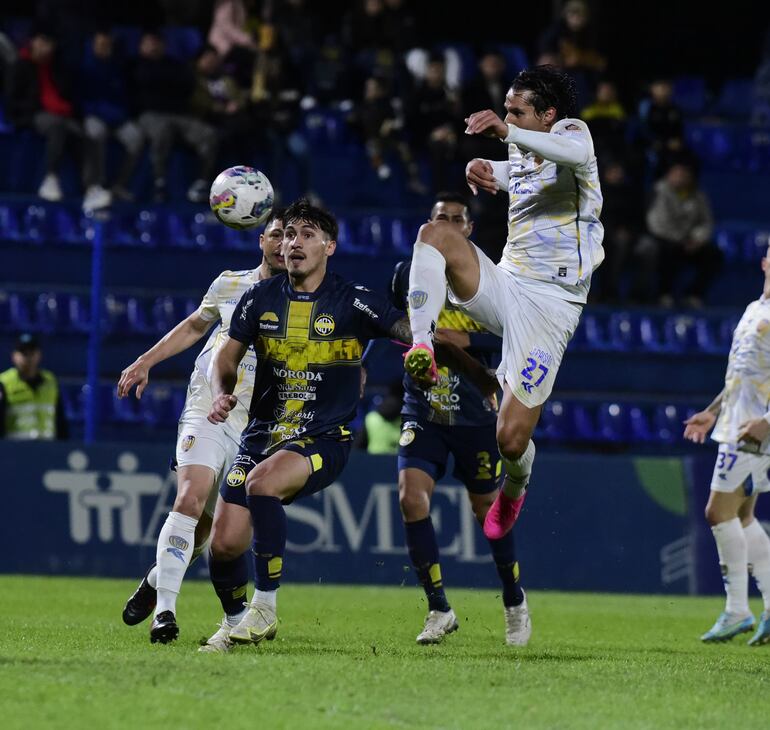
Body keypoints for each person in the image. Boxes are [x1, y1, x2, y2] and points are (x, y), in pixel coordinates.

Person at [201, 198, 497, 651]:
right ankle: (236, 618)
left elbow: (411, 329)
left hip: (324, 438)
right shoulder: (258, 298)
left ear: (329, 247)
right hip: (261, 436)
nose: (293, 243)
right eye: (288, 234)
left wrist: (454, 363)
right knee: (222, 546)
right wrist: (223, 391)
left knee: (262, 485)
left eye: (306, 235)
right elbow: (227, 356)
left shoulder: (353, 300)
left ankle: (264, 608)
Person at [403, 65, 604, 542]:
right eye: (507, 109)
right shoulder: (523, 148)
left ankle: (516, 483)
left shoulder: (571, 133)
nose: (508, 117)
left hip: (553, 304)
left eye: (518, 111)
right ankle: (422, 344)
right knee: (435, 235)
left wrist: (506, 130)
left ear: (548, 114)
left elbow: (568, 153)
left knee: (510, 439)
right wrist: (485, 169)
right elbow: (524, 174)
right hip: (509, 282)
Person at [117, 209, 286, 644]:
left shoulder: (304, 301)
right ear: (261, 240)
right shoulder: (230, 282)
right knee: (189, 499)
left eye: (291, 236)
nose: (283, 242)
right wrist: (145, 361)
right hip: (207, 407)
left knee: (211, 533)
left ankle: (157, 581)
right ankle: (166, 614)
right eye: (276, 234)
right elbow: (196, 324)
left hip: (256, 427)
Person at [391, 192, 530, 646]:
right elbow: (394, 329)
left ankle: (513, 600)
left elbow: (500, 344)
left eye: (456, 219)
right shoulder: (409, 276)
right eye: (440, 219)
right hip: (424, 411)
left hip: (475, 416)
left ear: (467, 230)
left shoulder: (489, 283)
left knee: (488, 515)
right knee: (411, 499)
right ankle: (438, 608)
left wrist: (442, 337)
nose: (448, 224)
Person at [683, 244, 770, 646]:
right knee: (744, 516)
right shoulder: (756, 307)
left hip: (754, 430)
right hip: (736, 423)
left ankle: (738, 609)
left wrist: (767, 422)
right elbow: (741, 372)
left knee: (718, 513)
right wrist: (712, 411)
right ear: (765, 261)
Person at [131, 31, 218, 204]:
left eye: (158, 42)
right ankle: (159, 183)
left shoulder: (174, 65)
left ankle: (200, 183)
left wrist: (161, 82)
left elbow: (186, 85)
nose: (154, 46)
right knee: (163, 130)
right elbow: (142, 82)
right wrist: (165, 83)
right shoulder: (135, 64)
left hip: (179, 114)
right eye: (150, 43)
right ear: (141, 45)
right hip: (150, 114)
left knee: (208, 134)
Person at [645, 159, 721, 308]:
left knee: (714, 255)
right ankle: (664, 294)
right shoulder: (659, 191)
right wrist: (681, 240)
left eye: (684, 174)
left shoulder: (697, 195)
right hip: (665, 239)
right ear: (669, 175)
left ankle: (694, 294)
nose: (681, 178)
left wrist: (696, 238)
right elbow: (657, 223)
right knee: (667, 251)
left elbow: (706, 222)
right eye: (677, 174)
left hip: (690, 242)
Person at [0, 333, 68, 440]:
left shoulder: (51, 381)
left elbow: (60, 420)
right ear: (14, 356)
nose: (28, 357)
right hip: (16, 451)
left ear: (39, 355)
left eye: (32, 352)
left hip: (47, 450)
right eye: (23, 353)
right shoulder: (3, 382)